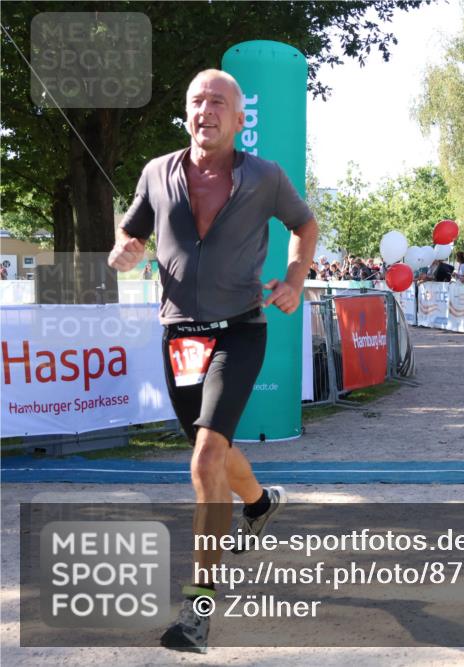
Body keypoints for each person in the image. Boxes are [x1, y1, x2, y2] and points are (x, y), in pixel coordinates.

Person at [108, 69, 317, 653]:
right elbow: (129, 234)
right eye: (198, 100)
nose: (207, 109)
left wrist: (295, 278)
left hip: (239, 332)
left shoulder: (265, 177)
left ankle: (198, 611)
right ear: (187, 112)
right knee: (215, 453)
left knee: (204, 458)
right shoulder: (157, 172)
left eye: (219, 101)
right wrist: (124, 251)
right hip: (181, 337)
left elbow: (304, 225)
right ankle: (260, 503)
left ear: (239, 118)